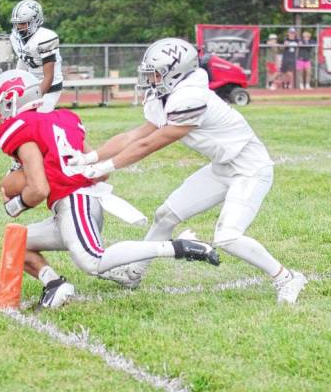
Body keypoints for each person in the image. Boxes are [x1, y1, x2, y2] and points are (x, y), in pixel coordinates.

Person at [68, 38, 307, 304]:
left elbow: (151, 143)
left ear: (177, 72)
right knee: (165, 215)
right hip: (222, 167)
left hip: (249, 169)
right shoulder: (169, 94)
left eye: (156, 73)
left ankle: (287, 277)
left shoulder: (190, 97)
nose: (151, 79)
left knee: (227, 237)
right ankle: (134, 273)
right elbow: (134, 135)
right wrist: (90, 157)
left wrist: (105, 167)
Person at [0, 69, 220, 309]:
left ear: (12, 99)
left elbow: (38, 188)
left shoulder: (21, 127)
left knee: (93, 262)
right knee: (17, 242)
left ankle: (177, 247)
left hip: (75, 203)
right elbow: (101, 170)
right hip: (82, 204)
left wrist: (15, 204)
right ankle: (55, 284)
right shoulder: (65, 118)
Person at [9, 0, 63, 112]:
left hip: (50, 86)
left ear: (35, 21)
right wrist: (14, 82)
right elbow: (23, 60)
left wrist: (35, 98)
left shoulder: (45, 38)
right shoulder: (15, 38)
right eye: (17, 23)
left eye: (23, 23)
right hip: (31, 84)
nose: (19, 27)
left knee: (40, 117)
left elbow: (49, 77)